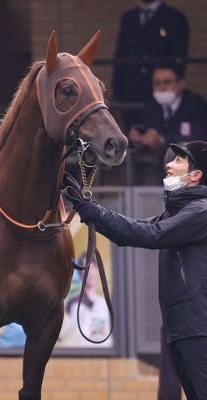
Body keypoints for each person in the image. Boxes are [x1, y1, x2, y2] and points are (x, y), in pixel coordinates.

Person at [68, 140, 207, 398]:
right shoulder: (179, 213)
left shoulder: (201, 211)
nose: (168, 164)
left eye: (178, 161)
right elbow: (132, 230)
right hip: (184, 328)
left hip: (198, 329)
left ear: (196, 175)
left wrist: (94, 214)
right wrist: (88, 207)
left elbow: (149, 234)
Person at [113, 0, 189, 131]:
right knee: (133, 134)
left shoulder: (175, 17)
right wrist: (117, 90)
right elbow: (120, 57)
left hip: (160, 90)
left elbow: (178, 58)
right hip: (131, 91)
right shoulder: (128, 18)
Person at [128, 61, 207, 184]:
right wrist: (140, 136)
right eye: (157, 83)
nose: (162, 87)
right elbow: (148, 128)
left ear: (181, 84)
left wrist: (162, 139)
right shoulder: (151, 104)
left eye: (167, 82)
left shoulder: (195, 104)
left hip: (190, 164)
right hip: (158, 158)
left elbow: (199, 137)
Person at [58, 252, 112, 347]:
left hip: (104, 353)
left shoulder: (103, 303)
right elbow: (71, 337)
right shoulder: (74, 303)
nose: (90, 272)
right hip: (83, 353)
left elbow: (108, 335)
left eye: (93, 267)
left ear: (97, 271)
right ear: (80, 273)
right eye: (86, 269)